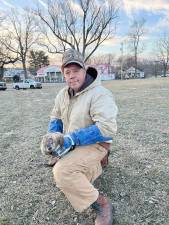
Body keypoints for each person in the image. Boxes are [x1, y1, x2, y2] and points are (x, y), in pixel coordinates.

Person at [40, 48, 118, 225]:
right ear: (63, 74)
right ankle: (96, 166)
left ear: (85, 70)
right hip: (74, 145)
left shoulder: (100, 94)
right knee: (67, 179)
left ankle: (103, 204)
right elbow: (56, 116)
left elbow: (107, 128)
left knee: (62, 172)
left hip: (96, 144)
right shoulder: (62, 94)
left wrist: (71, 139)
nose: (72, 76)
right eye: (67, 72)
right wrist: (53, 136)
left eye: (76, 71)